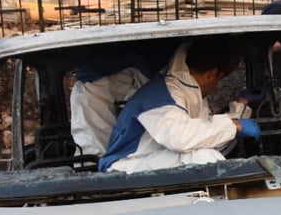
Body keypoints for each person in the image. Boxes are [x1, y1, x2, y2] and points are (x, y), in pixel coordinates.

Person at [99, 36, 261, 173]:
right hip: (124, 170)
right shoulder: (161, 95)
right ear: (212, 74)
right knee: (203, 157)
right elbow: (182, 138)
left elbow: (205, 134)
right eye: (220, 79)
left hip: (154, 160)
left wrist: (241, 105)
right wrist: (236, 126)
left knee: (204, 154)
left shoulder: (187, 90)